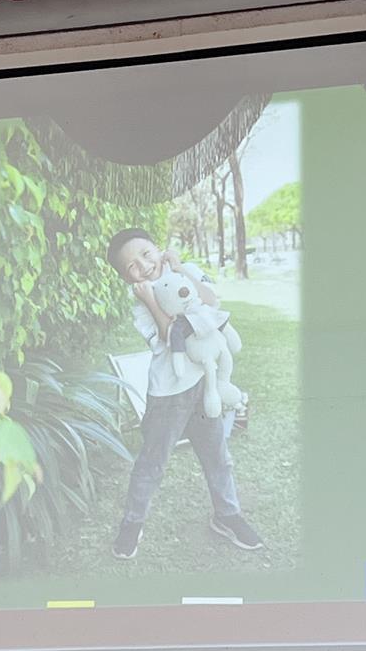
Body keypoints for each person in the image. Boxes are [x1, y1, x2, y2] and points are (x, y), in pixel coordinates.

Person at [106, 228, 263, 559]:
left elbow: (211, 301)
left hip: (205, 386)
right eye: (131, 266)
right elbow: (168, 336)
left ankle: (227, 515)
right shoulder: (141, 305)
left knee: (217, 456)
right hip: (168, 395)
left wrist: (180, 269)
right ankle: (132, 523)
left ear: (158, 249)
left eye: (146, 254)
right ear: (125, 277)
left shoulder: (184, 270)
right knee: (152, 462)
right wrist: (150, 300)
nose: (143, 266)